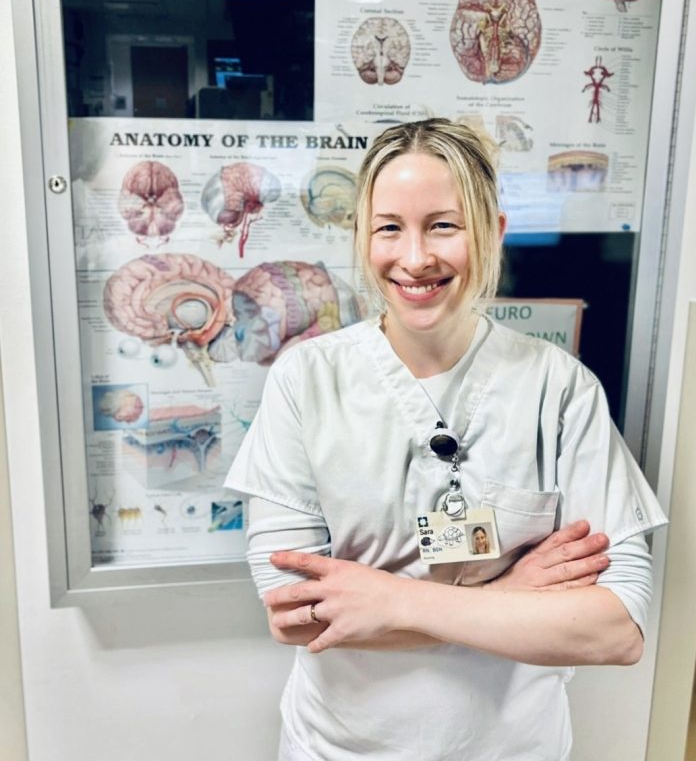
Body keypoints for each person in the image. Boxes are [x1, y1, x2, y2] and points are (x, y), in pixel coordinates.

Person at [225, 118, 666, 761]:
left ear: (492, 232)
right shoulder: (307, 380)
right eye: (388, 227)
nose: (414, 258)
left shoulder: (558, 388)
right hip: (340, 748)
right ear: (362, 237)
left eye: (443, 225)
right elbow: (297, 616)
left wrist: (389, 600)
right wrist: (507, 597)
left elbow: (616, 630)